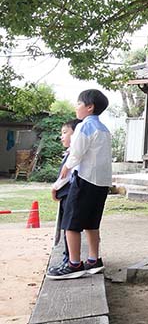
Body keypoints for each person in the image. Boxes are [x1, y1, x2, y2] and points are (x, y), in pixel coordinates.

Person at [46, 89, 112, 280]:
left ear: (89, 107)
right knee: (92, 222)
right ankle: (93, 260)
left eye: (78, 103)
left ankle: (74, 264)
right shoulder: (105, 130)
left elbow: (77, 153)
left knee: (71, 224)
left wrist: (64, 171)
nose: (76, 107)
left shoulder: (84, 126)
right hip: (102, 183)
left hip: (85, 179)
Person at [51, 118, 82, 265]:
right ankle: (67, 256)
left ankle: (70, 258)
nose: (61, 136)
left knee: (68, 227)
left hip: (69, 194)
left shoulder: (74, 155)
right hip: (66, 195)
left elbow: (66, 176)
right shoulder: (71, 153)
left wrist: (54, 188)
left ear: (75, 134)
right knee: (65, 227)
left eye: (65, 132)